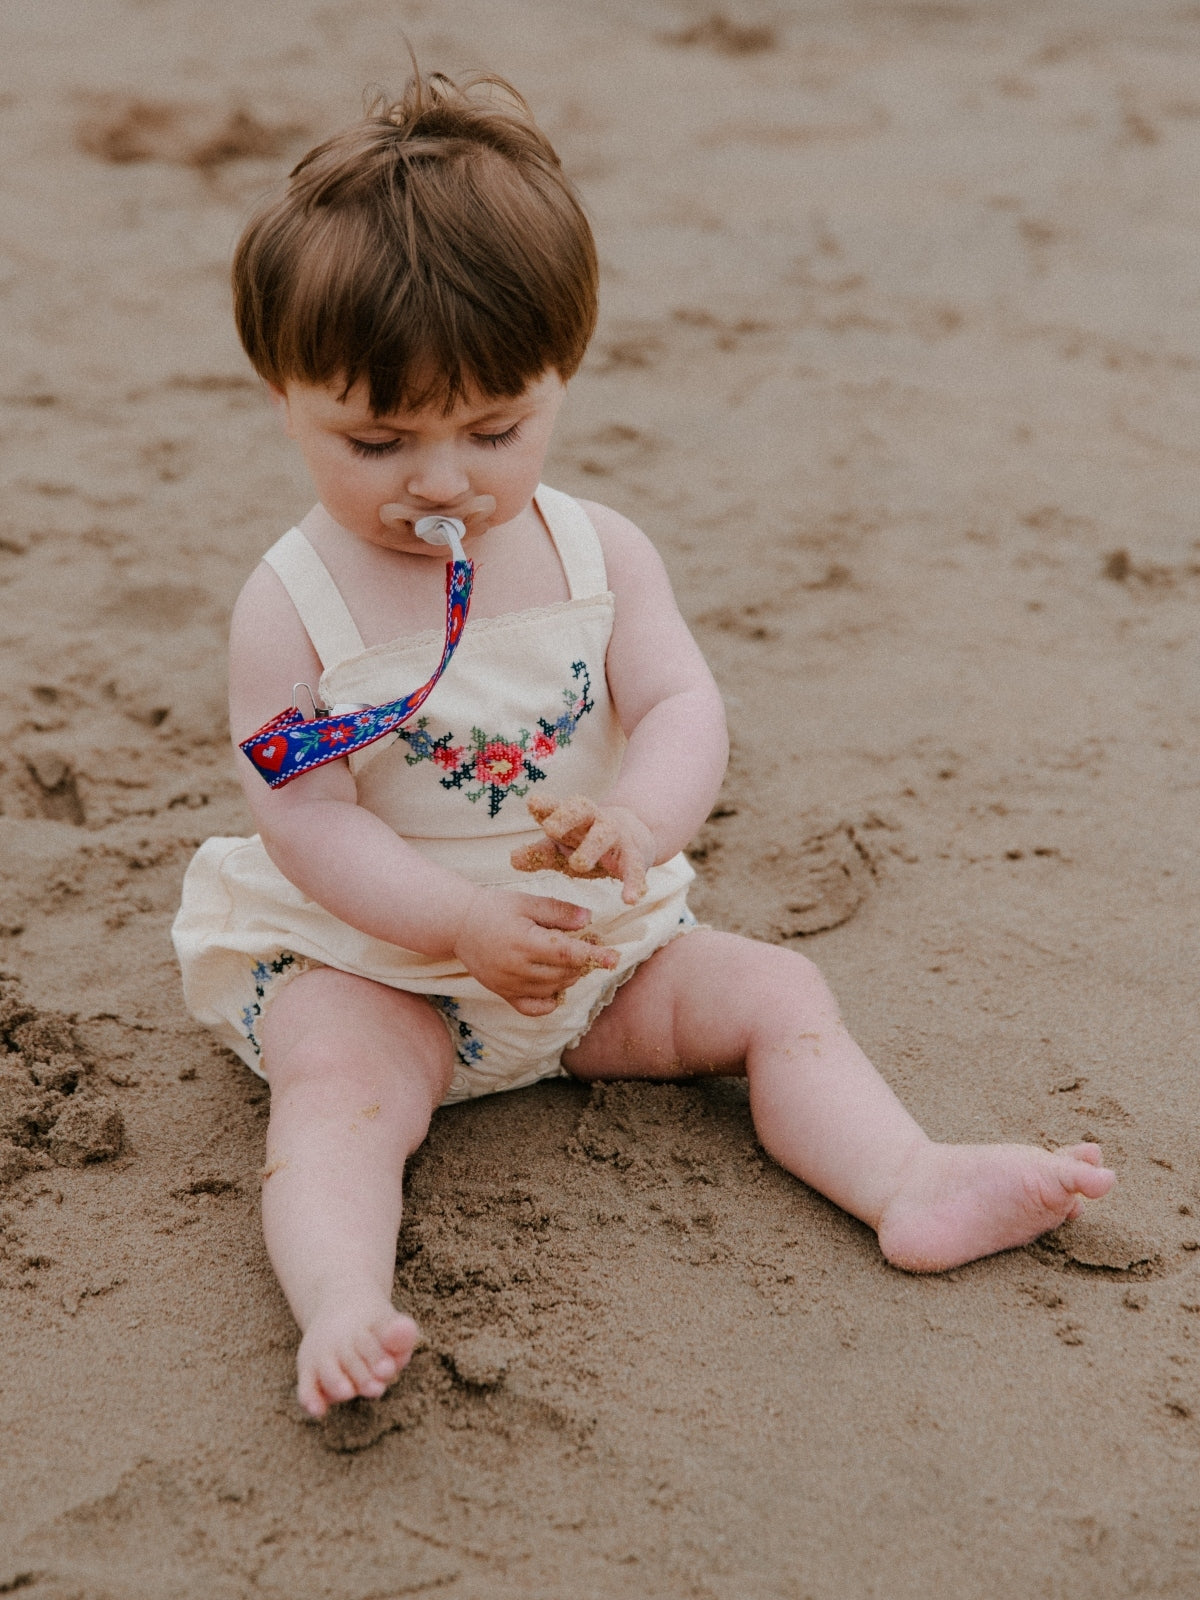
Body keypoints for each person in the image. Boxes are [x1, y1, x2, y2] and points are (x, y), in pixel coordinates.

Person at [173, 68, 1115, 1419]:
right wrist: (456, 926)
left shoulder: (593, 552)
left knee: (774, 995)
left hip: (590, 956)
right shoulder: (292, 607)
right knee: (338, 1092)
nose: (443, 480)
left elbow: (681, 707)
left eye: (495, 428)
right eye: (377, 440)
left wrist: (640, 826)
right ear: (284, 399)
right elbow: (311, 819)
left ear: (562, 377)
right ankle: (340, 1297)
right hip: (380, 960)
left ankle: (904, 1177)